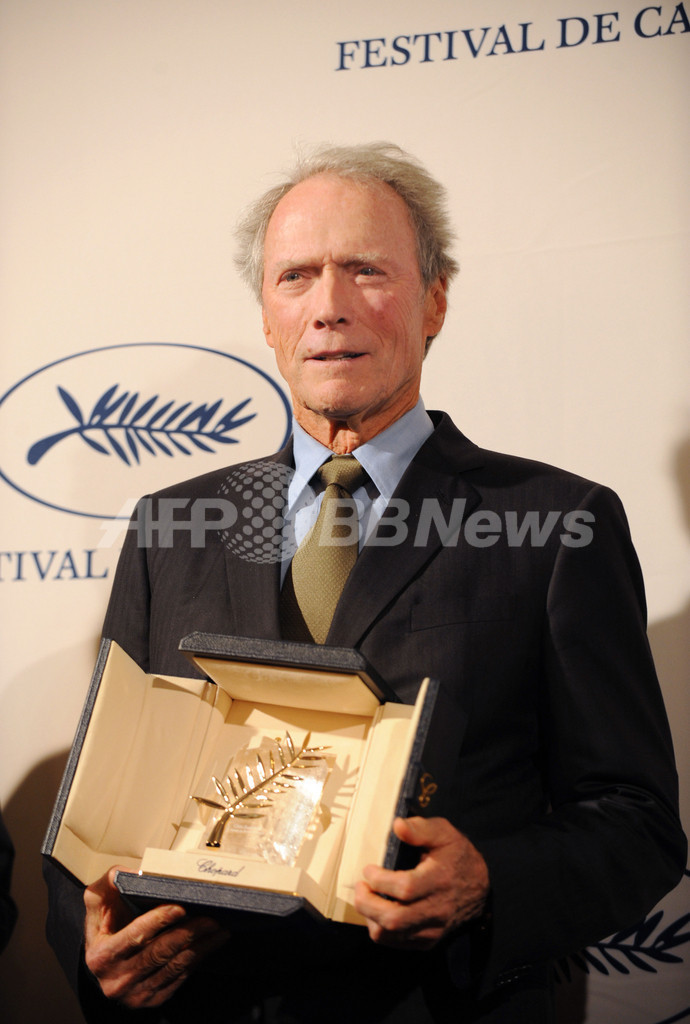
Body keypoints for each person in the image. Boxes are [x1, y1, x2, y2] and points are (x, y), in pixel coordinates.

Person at [43, 143, 686, 1023]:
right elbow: (96, 802)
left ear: (435, 300)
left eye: (366, 270)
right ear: (267, 317)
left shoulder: (559, 523)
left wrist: (489, 883)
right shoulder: (168, 527)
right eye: (296, 277)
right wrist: (91, 952)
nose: (329, 307)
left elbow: (635, 822)